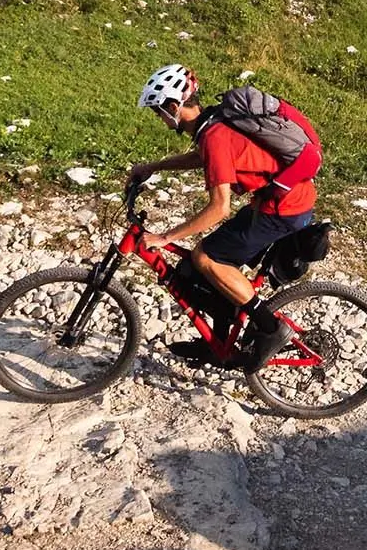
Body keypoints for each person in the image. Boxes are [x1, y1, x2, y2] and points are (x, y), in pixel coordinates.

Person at [127, 64, 321, 368]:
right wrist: (154, 167)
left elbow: (220, 208)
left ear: (173, 107)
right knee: (203, 266)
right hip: (277, 202)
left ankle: (272, 329)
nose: (158, 118)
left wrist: (165, 237)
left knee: (206, 258)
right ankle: (220, 346)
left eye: (157, 111)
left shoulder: (214, 135)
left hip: (283, 210)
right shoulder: (212, 125)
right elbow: (202, 157)